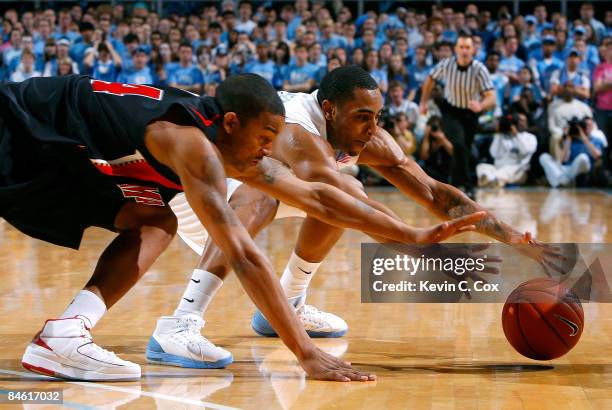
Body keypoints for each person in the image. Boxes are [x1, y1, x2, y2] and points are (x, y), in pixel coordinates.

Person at [152, 66, 557, 369]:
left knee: (343, 197)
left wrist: (510, 236)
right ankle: (182, 319)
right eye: (364, 116)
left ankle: (288, 304)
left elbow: (434, 192)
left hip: (263, 187)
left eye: (377, 116)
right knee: (315, 195)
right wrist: (440, 262)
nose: (373, 127)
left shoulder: (363, 134)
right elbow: (340, 199)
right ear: (329, 110)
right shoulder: (296, 130)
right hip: (195, 186)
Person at [5, 73, 397, 382]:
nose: (267, 150)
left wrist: (417, 238)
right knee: (177, 224)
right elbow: (244, 255)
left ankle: (66, 333)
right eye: (265, 138)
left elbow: (315, 199)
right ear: (231, 123)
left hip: (62, 152)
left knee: (156, 221)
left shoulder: (214, 134)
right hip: (18, 125)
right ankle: (181, 322)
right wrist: (306, 353)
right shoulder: (191, 144)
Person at [420, 32, 497, 198]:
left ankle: (453, 184)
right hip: (451, 110)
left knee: (464, 149)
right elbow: (430, 80)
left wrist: (481, 105)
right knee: (459, 144)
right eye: (461, 47)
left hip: (470, 113)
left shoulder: (479, 69)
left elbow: (492, 96)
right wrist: (423, 102)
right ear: (456, 49)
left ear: (473, 50)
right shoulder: (446, 64)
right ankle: (468, 184)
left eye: (467, 47)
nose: (464, 50)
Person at [476, 113, 537, 188]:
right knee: (481, 166)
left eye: (523, 120)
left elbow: (525, 152)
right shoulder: (502, 136)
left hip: (517, 169)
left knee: (507, 171)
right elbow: (494, 154)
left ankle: (490, 179)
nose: (521, 123)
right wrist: (498, 134)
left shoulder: (530, 137)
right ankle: (495, 180)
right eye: (519, 120)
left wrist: (516, 135)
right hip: (498, 167)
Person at [539, 116, 603, 187]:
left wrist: (584, 138)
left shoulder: (596, 139)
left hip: (583, 168)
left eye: (589, 125)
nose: (587, 127)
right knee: (544, 157)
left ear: (593, 126)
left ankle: (560, 181)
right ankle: (563, 182)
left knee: (583, 157)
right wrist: (568, 138)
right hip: (568, 169)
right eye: (585, 125)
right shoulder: (570, 139)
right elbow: (563, 159)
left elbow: (597, 156)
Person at [419, 115, 454, 183]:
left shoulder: (447, 137)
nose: (434, 129)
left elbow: (453, 153)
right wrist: (426, 137)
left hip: (446, 170)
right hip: (431, 171)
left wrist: (443, 139)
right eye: (433, 127)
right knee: (420, 164)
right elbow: (423, 157)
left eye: (436, 127)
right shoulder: (427, 140)